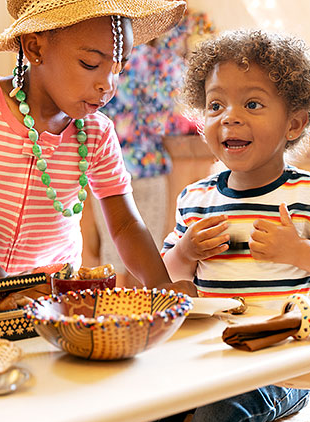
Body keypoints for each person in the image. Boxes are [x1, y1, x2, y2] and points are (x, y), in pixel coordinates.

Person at [109, 29, 310, 422]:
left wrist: (300, 251)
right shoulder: (197, 198)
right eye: (215, 105)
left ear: (295, 122)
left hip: (283, 361)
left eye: (252, 104)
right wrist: (186, 251)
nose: (229, 117)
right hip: (207, 356)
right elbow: (162, 273)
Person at [0, 0, 196, 298]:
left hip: (63, 305)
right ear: (35, 49)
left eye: (118, 69)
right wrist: (0, 290)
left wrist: (160, 284)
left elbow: (124, 223)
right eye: (91, 64)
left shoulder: (96, 131)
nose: (107, 85)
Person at [84, 10, 214, 288]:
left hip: (107, 167)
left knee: (112, 255)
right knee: (147, 254)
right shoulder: (161, 62)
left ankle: (113, 316)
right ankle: (138, 318)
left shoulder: (111, 58)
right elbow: (166, 116)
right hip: (149, 165)